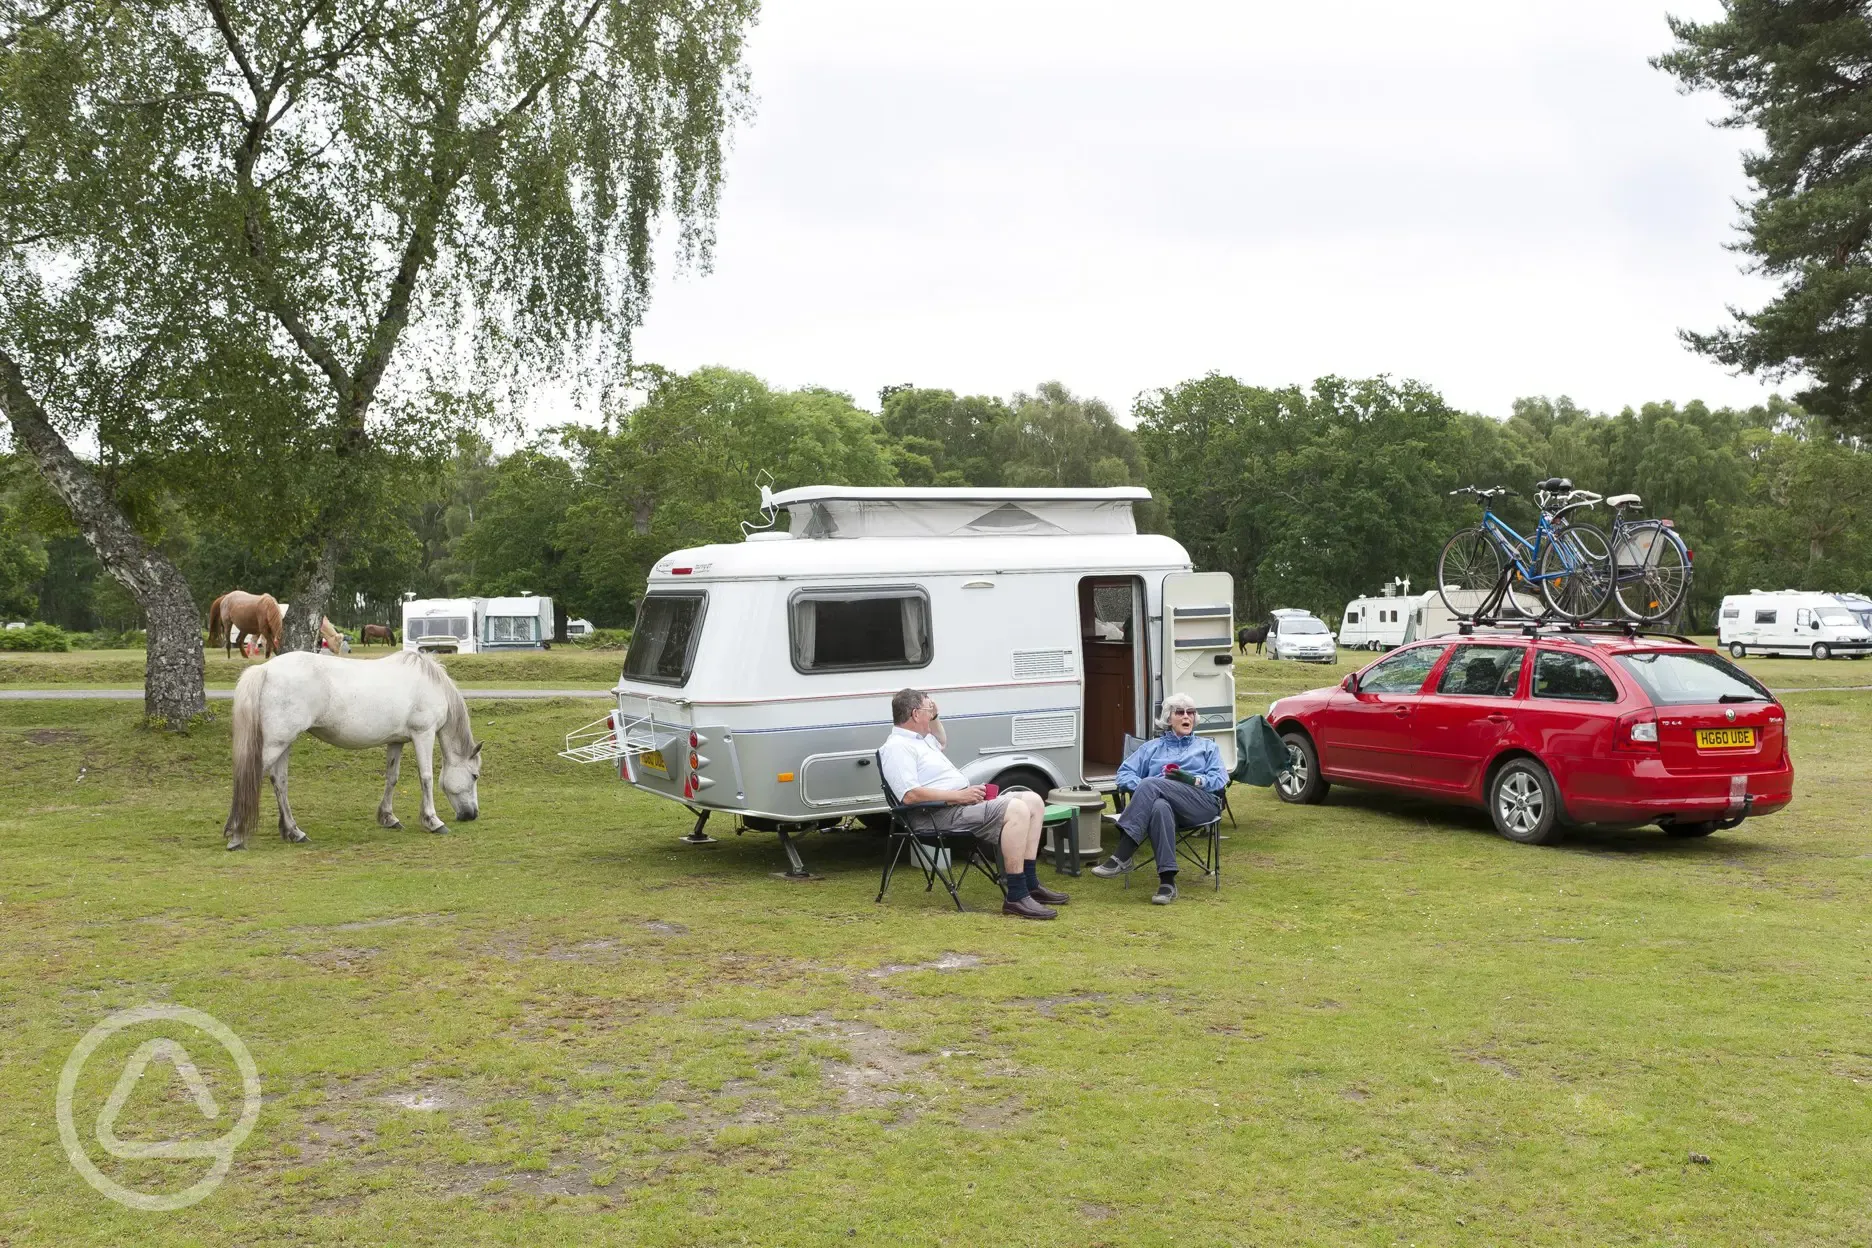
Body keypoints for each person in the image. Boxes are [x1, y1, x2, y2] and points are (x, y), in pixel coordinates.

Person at [878, 688, 1068, 920]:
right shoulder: (897, 747)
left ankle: (1030, 883)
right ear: (916, 714)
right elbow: (910, 796)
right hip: (935, 816)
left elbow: (942, 740)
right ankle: (1016, 896)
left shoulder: (921, 739)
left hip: (956, 805)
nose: (933, 713)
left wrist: (935, 717)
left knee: (1033, 801)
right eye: (930, 709)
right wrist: (960, 796)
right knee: (1016, 808)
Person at [1091, 692, 1226, 905]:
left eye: (1190, 712)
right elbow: (1123, 774)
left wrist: (1192, 780)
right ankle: (1167, 883)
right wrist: (1148, 789)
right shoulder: (1151, 748)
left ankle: (1123, 854)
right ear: (1168, 718)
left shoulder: (1207, 747)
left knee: (1152, 784)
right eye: (1179, 712)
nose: (1186, 717)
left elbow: (1219, 779)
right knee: (1159, 806)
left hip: (1200, 805)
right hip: (1166, 808)